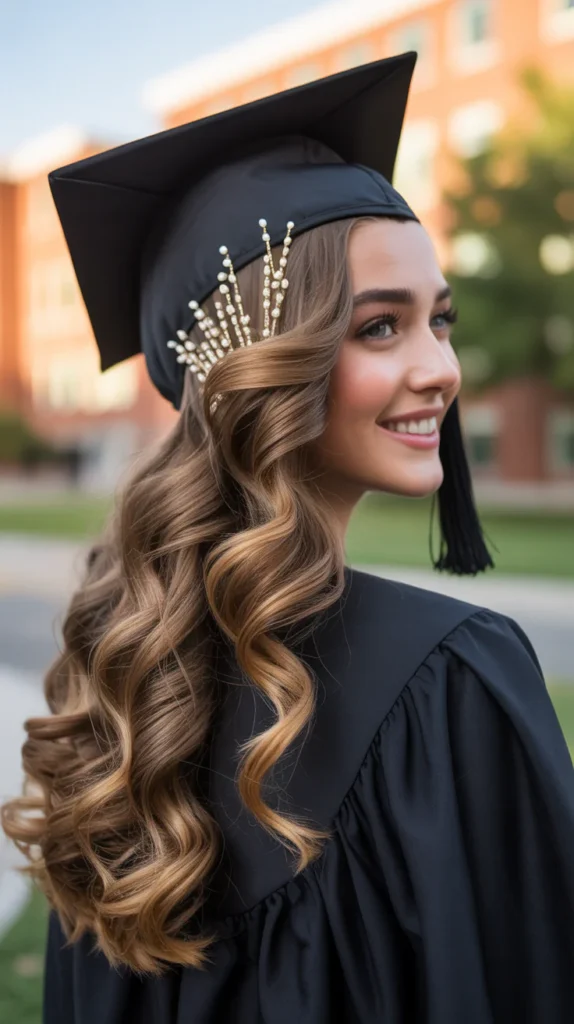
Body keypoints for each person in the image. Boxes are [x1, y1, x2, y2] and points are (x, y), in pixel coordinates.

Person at [1, 52, 573, 1024]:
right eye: (379, 328)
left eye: (440, 319)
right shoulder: (449, 676)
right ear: (262, 369)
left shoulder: (116, 673)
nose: (440, 367)